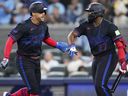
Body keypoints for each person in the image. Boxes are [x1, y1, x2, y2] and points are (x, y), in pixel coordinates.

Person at [0, 2, 70, 96]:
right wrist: (6, 57)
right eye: (41, 12)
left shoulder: (44, 25)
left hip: (36, 61)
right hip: (24, 61)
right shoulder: (23, 26)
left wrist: (57, 45)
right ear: (33, 13)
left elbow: (46, 38)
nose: (44, 14)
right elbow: (10, 40)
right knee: (34, 91)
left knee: (34, 89)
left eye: (44, 12)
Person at [67, 2, 128, 96]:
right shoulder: (86, 25)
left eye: (91, 12)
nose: (88, 14)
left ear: (98, 14)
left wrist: (123, 61)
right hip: (96, 57)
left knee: (101, 85)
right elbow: (71, 35)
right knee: (98, 87)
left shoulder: (110, 26)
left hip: (109, 56)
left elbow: (120, 45)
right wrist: (72, 46)